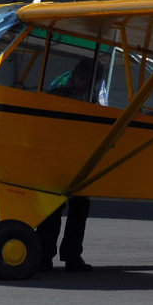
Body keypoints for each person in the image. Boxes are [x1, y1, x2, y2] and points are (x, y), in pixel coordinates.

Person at [41, 57, 105, 271]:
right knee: (53, 207)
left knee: (79, 206)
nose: (82, 79)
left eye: (88, 77)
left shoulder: (94, 99)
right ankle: (44, 255)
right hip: (57, 158)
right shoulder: (60, 93)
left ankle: (71, 255)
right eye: (80, 74)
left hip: (78, 160)